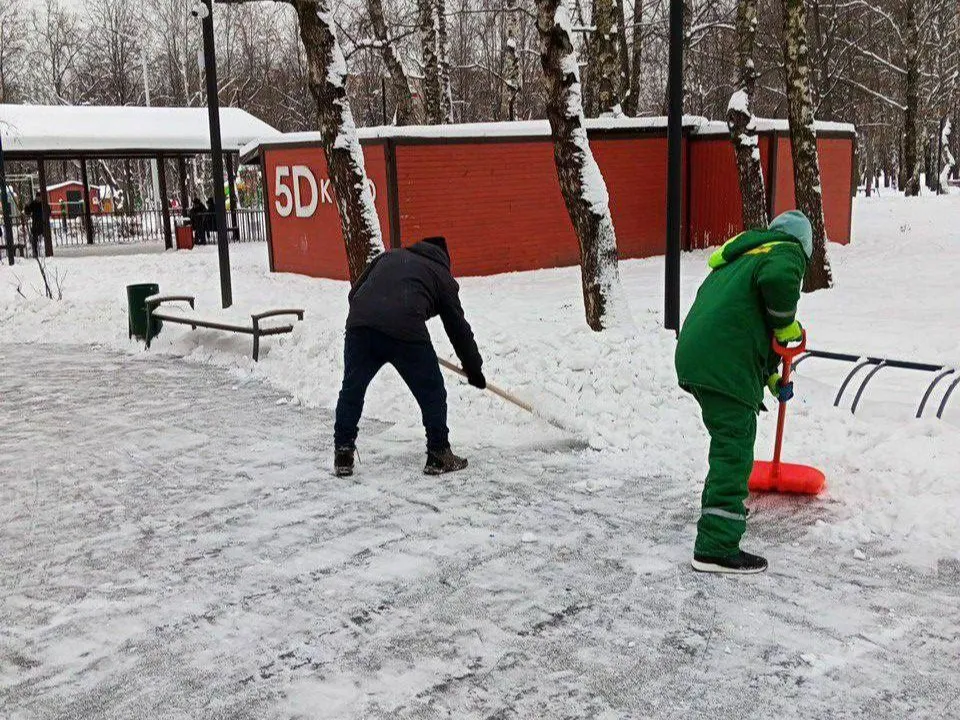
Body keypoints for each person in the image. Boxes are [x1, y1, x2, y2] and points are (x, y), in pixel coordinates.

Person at [675, 210, 812, 575]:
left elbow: (744, 323)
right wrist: (786, 326)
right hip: (721, 362)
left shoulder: (741, 260)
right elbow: (780, 281)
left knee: (728, 445)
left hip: (704, 356)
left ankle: (721, 517)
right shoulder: (785, 251)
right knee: (734, 448)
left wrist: (770, 379)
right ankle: (716, 547)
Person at [334, 236, 485, 477]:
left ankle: (343, 452)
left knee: (352, 390)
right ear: (444, 258)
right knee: (432, 392)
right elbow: (457, 327)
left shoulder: (389, 256)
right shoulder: (441, 275)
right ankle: (438, 453)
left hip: (360, 326)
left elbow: (354, 294)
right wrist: (473, 367)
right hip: (405, 330)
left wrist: (372, 317)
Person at [24, 192, 44, 257]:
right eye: (38, 197)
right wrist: (26, 206)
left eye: (40, 197)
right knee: (34, 239)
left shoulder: (43, 203)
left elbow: (48, 210)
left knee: (46, 236)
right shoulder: (33, 203)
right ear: (36, 197)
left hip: (43, 223)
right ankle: (35, 253)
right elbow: (27, 211)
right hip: (35, 223)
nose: (39, 199)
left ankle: (45, 252)